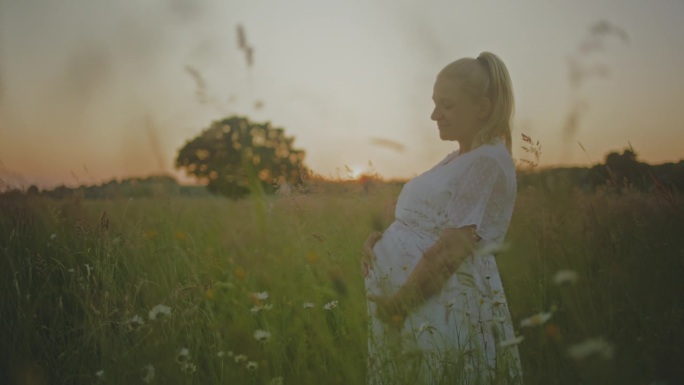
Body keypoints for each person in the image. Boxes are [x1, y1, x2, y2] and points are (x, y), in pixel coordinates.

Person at [362, 52, 523, 385]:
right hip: (416, 304)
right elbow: (425, 223)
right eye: (435, 103)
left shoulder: (488, 161)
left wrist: (397, 308)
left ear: (483, 108)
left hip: (442, 306)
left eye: (446, 105)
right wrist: (381, 242)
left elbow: (450, 254)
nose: (435, 114)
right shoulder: (457, 158)